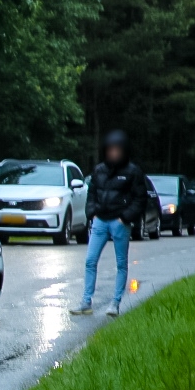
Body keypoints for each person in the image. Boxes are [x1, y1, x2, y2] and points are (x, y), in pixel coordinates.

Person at [74, 130, 149, 317]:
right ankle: (85, 302)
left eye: (117, 150)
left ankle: (115, 303)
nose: (113, 153)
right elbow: (91, 193)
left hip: (119, 222)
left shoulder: (133, 172)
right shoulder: (99, 170)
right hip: (100, 220)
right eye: (110, 150)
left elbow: (140, 198)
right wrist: (92, 214)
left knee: (121, 264)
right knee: (90, 261)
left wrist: (124, 218)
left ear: (123, 151)